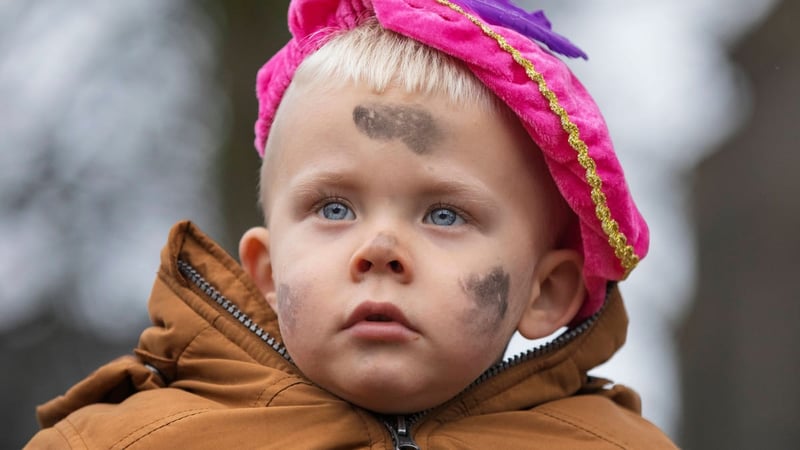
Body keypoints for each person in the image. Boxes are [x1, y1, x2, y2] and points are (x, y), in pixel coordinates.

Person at [27, 0, 676, 448]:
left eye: (444, 214)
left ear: (546, 292)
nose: (380, 249)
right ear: (268, 275)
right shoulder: (125, 441)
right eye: (334, 209)